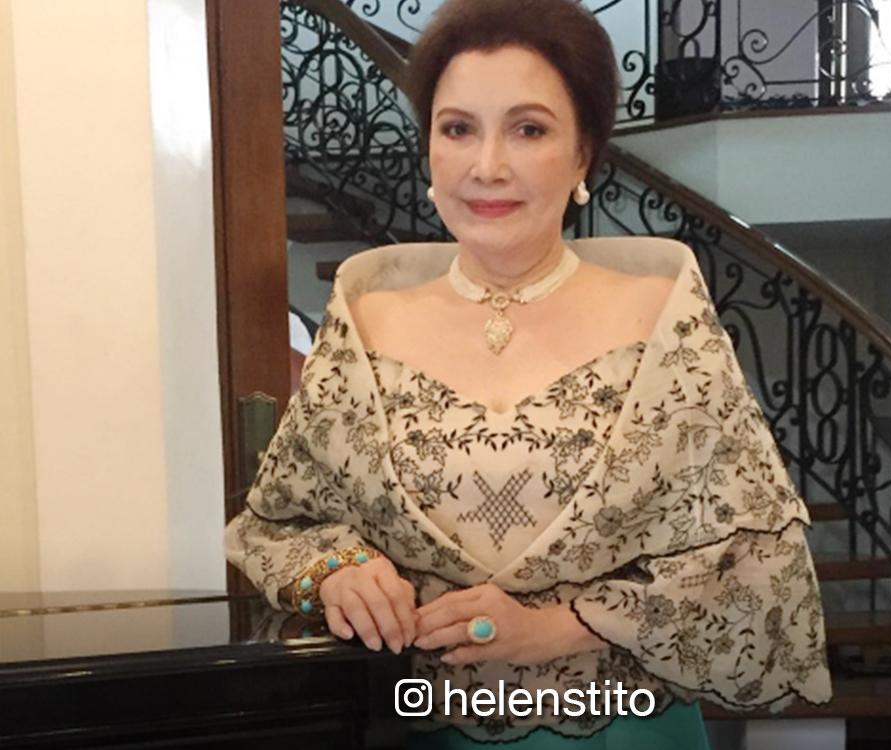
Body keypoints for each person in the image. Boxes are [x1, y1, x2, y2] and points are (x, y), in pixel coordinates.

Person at [223, 0, 833, 745]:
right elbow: (280, 523)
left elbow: (754, 558)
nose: (487, 166)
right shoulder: (366, 318)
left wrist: (561, 626)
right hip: (415, 724)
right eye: (458, 129)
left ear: (582, 155)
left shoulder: (662, 318)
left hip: (617, 725)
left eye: (529, 129)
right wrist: (340, 572)